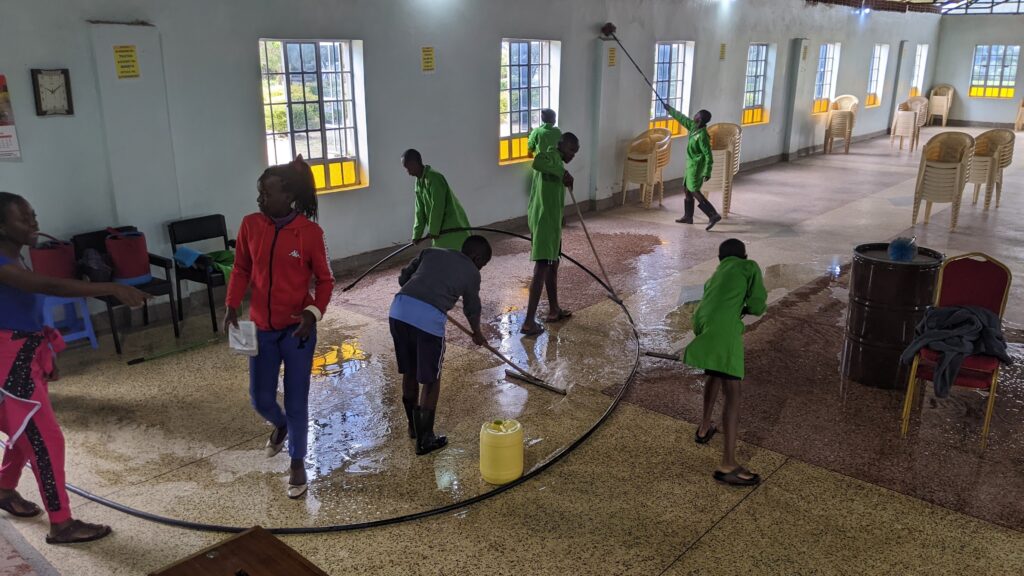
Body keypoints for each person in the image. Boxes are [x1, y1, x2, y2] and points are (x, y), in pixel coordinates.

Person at [0, 192, 149, 544]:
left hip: (23, 352)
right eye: (24, 219)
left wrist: (44, 354)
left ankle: (4, 489)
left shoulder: (14, 254)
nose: (34, 224)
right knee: (46, 439)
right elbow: (47, 285)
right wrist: (110, 287)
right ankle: (62, 523)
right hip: (9, 360)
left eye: (34, 216)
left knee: (26, 430)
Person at [224, 156, 334, 499]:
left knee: (298, 399)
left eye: (266, 193)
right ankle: (280, 424)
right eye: (259, 192)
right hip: (261, 328)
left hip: (297, 331)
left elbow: (326, 280)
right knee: (260, 398)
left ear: (287, 197)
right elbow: (241, 268)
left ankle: (297, 463)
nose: (260, 199)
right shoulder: (250, 225)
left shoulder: (310, 233)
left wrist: (312, 313)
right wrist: (231, 304)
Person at [389, 235, 492, 455]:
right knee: (431, 379)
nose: (480, 269)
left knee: (409, 371)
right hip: (427, 321)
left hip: (398, 310)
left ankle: (413, 428)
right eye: (482, 264)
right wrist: (477, 333)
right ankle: (426, 439)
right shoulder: (472, 272)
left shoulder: (431, 252)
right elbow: (472, 308)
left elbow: (403, 278)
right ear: (476, 257)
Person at [685, 239, 766, 486]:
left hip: (702, 324)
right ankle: (728, 465)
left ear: (720, 259)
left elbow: (703, 310)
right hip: (725, 332)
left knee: (714, 374)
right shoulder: (749, 266)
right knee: (733, 395)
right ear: (744, 255)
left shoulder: (715, 275)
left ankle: (703, 427)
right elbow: (757, 305)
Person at [521, 133, 579, 336]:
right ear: (561, 145)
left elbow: (551, 193)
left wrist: (560, 216)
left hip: (551, 221)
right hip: (544, 222)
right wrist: (562, 173)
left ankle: (554, 309)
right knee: (542, 267)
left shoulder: (557, 161)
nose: (572, 155)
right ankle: (528, 321)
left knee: (553, 264)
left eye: (575, 152)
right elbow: (537, 162)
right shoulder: (550, 155)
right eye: (571, 150)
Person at [663, 105, 722, 230]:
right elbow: (682, 118)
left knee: (694, 190)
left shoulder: (702, 136)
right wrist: (670, 110)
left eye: (697, 115)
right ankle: (688, 216)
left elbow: (708, 155)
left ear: (699, 120)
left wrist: (707, 171)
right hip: (690, 165)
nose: (694, 115)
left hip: (696, 167)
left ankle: (713, 214)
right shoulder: (694, 127)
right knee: (686, 188)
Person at [402, 149, 471, 250]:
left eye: (407, 168)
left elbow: (438, 206)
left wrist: (433, 230)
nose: (407, 172)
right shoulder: (418, 183)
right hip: (439, 229)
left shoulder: (434, 178)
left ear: (413, 163)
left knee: (458, 253)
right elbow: (419, 211)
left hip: (451, 224)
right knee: (443, 255)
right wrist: (417, 235)